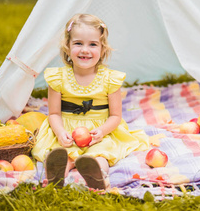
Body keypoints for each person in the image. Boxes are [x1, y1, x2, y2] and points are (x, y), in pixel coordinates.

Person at [32, 13, 149, 189]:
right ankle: (57, 174)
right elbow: (54, 113)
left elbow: (116, 116)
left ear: (102, 49)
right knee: (60, 153)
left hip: (98, 131)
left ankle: (97, 175)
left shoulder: (110, 79)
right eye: (78, 43)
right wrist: (60, 132)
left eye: (92, 44)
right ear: (67, 46)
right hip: (67, 130)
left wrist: (102, 131)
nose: (85, 50)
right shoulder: (58, 78)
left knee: (100, 155)